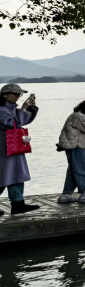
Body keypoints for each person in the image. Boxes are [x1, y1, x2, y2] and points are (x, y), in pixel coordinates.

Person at [0, 84, 38, 214]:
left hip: (13, 145)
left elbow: (21, 121)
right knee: (5, 174)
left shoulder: (9, 109)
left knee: (15, 173)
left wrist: (30, 108)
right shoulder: (1, 109)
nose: (18, 96)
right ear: (5, 94)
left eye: (19, 94)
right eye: (15, 94)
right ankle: (17, 203)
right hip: (4, 147)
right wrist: (23, 109)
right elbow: (12, 124)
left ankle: (18, 204)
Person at [57, 98, 85, 203]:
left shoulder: (75, 115)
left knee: (73, 170)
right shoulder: (80, 116)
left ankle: (66, 194)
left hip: (71, 144)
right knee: (82, 168)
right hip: (75, 145)